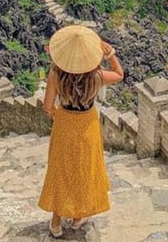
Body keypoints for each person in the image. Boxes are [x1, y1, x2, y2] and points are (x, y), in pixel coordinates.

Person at [38, 24, 124, 238]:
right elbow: (119, 74)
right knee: (85, 170)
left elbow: (48, 106)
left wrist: (60, 116)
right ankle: (78, 218)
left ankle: (56, 222)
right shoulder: (96, 76)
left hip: (65, 123)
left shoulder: (56, 75)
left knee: (61, 171)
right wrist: (110, 53)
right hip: (87, 124)